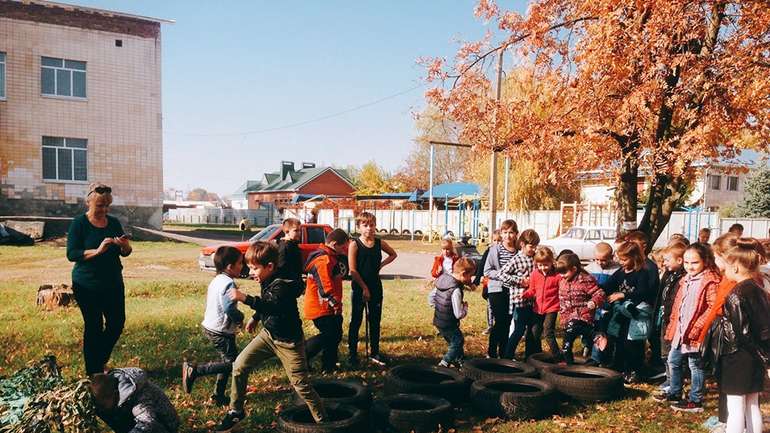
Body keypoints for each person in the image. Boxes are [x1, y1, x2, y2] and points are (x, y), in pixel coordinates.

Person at [216, 242, 326, 431]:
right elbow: (267, 301)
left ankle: (324, 423)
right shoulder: (266, 278)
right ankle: (236, 411)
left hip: (289, 343)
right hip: (268, 336)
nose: (251, 272)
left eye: (255, 268)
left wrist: (245, 298)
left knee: (301, 385)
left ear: (269, 266)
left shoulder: (282, 285)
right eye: (249, 267)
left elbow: (273, 305)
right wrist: (255, 318)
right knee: (239, 366)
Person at [66, 183, 132, 375]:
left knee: (116, 324)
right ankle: (94, 373)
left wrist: (125, 246)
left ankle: (98, 361)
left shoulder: (113, 223)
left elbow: (125, 252)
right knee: (94, 326)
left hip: (113, 282)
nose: (104, 210)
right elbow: (72, 254)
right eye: (100, 205)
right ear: (89, 202)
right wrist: (97, 251)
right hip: (87, 284)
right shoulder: (79, 223)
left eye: (107, 205)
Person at [658, 243, 720, 412]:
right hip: (681, 330)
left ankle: (695, 399)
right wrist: (672, 325)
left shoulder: (710, 281)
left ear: (705, 261)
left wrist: (699, 326)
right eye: (686, 262)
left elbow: (713, 307)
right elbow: (678, 305)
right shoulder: (685, 279)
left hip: (696, 332)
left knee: (695, 365)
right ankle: (675, 392)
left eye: (695, 263)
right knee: (673, 360)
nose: (690, 266)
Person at [718, 238, 770, 433]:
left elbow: (743, 333)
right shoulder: (758, 289)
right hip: (756, 354)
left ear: (736, 267)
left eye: (727, 265)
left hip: (738, 356)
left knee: (735, 407)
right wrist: (764, 356)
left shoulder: (735, 294)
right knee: (752, 404)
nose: (724, 269)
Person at [182, 246, 244, 406]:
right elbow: (228, 308)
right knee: (234, 364)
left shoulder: (217, 279)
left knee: (226, 362)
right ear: (229, 266)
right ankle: (196, 370)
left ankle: (218, 396)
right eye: (240, 263)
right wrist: (240, 318)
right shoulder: (229, 284)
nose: (242, 266)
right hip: (220, 330)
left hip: (212, 327)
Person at [347, 212, 397, 367]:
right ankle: (352, 355)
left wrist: (381, 265)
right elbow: (352, 270)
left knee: (375, 321)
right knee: (356, 321)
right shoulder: (355, 244)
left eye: (372, 225)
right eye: (365, 225)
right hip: (359, 287)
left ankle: (375, 352)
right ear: (359, 227)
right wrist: (364, 288)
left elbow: (393, 254)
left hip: (375, 286)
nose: (369, 228)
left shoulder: (379, 243)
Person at [604, 241, 654, 383]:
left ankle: (635, 370)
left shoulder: (642, 273)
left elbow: (643, 293)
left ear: (634, 258)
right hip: (622, 313)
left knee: (633, 343)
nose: (621, 262)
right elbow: (608, 285)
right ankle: (619, 366)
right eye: (620, 259)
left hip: (635, 314)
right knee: (619, 339)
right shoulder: (621, 272)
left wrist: (623, 295)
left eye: (625, 259)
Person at [304, 229, 350, 373]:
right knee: (329, 335)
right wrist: (335, 304)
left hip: (328, 306)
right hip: (321, 307)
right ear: (334, 244)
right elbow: (325, 288)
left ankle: (329, 365)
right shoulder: (323, 260)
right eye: (343, 247)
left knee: (335, 334)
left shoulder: (331, 257)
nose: (344, 250)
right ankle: (302, 356)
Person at [91, 368, 179, 433]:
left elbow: (148, 423)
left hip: (163, 426)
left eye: (103, 405)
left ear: (115, 393)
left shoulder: (138, 396)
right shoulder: (114, 393)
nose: (102, 408)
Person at [556, 253, 604, 364]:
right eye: (560, 273)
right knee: (568, 341)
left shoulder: (585, 280)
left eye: (564, 272)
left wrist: (594, 301)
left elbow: (599, 293)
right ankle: (570, 365)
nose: (562, 275)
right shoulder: (562, 281)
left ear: (574, 269)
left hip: (583, 315)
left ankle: (596, 336)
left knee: (568, 337)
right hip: (567, 317)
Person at [499, 229, 540, 360]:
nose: (534, 249)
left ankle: (530, 357)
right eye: (531, 246)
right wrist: (520, 280)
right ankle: (508, 357)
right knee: (519, 330)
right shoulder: (516, 259)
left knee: (532, 330)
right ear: (522, 244)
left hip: (534, 301)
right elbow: (501, 274)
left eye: (535, 246)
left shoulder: (535, 258)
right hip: (520, 301)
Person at [625, 230, 663, 372]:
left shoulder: (649, 266)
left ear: (644, 246)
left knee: (641, 339)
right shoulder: (632, 264)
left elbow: (650, 289)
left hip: (643, 308)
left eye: (634, 244)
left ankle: (646, 367)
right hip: (630, 307)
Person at [428, 257, 475, 368]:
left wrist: (439, 307)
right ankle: (444, 363)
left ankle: (460, 360)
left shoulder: (443, 280)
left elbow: (430, 298)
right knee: (458, 341)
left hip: (439, 320)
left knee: (453, 342)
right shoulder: (456, 289)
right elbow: (458, 314)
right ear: (463, 274)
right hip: (449, 323)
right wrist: (465, 308)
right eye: (470, 276)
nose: (471, 279)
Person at [483, 219, 519, 358]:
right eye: (505, 232)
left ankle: (503, 353)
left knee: (508, 321)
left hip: (513, 291)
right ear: (501, 233)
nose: (508, 235)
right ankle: (492, 352)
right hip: (497, 289)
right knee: (500, 321)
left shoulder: (518, 251)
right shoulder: (494, 250)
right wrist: (503, 276)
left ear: (516, 234)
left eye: (511, 232)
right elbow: (487, 271)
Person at [655, 243, 687, 391]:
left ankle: (673, 380)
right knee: (664, 351)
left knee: (671, 352)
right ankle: (669, 378)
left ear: (679, 260)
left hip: (673, 320)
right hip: (665, 317)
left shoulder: (682, 278)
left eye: (667, 260)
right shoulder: (669, 275)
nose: (664, 263)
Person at [522, 246, 562, 360]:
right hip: (537, 308)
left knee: (548, 332)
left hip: (552, 308)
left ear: (551, 262)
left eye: (546, 265)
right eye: (540, 265)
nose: (543, 268)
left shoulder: (557, 276)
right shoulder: (535, 274)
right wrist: (524, 294)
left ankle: (558, 357)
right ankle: (533, 356)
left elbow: (561, 291)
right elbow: (532, 290)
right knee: (534, 332)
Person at [586, 242, 621, 364]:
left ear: (611, 257)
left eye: (604, 260)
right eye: (597, 259)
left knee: (608, 331)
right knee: (595, 330)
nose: (600, 262)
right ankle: (593, 354)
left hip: (610, 304)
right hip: (594, 305)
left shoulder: (617, 269)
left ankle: (605, 356)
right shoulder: (589, 269)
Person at [475, 230, 501, 336]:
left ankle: (500, 324)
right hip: (490, 283)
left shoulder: (506, 252)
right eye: (495, 240)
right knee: (490, 305)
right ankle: (490, 325)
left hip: (503, 284)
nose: (497, 243)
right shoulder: (489, 251)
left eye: (499, 240)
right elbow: (482, 265)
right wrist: (477, 280)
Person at [276, 218, 304, 293]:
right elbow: (281, 270)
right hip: (286, 289)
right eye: (296, 231)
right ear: (287, 231)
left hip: (293, 288)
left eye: (300, 230)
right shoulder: (284, 247)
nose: (299, 233)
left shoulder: (294, 245)